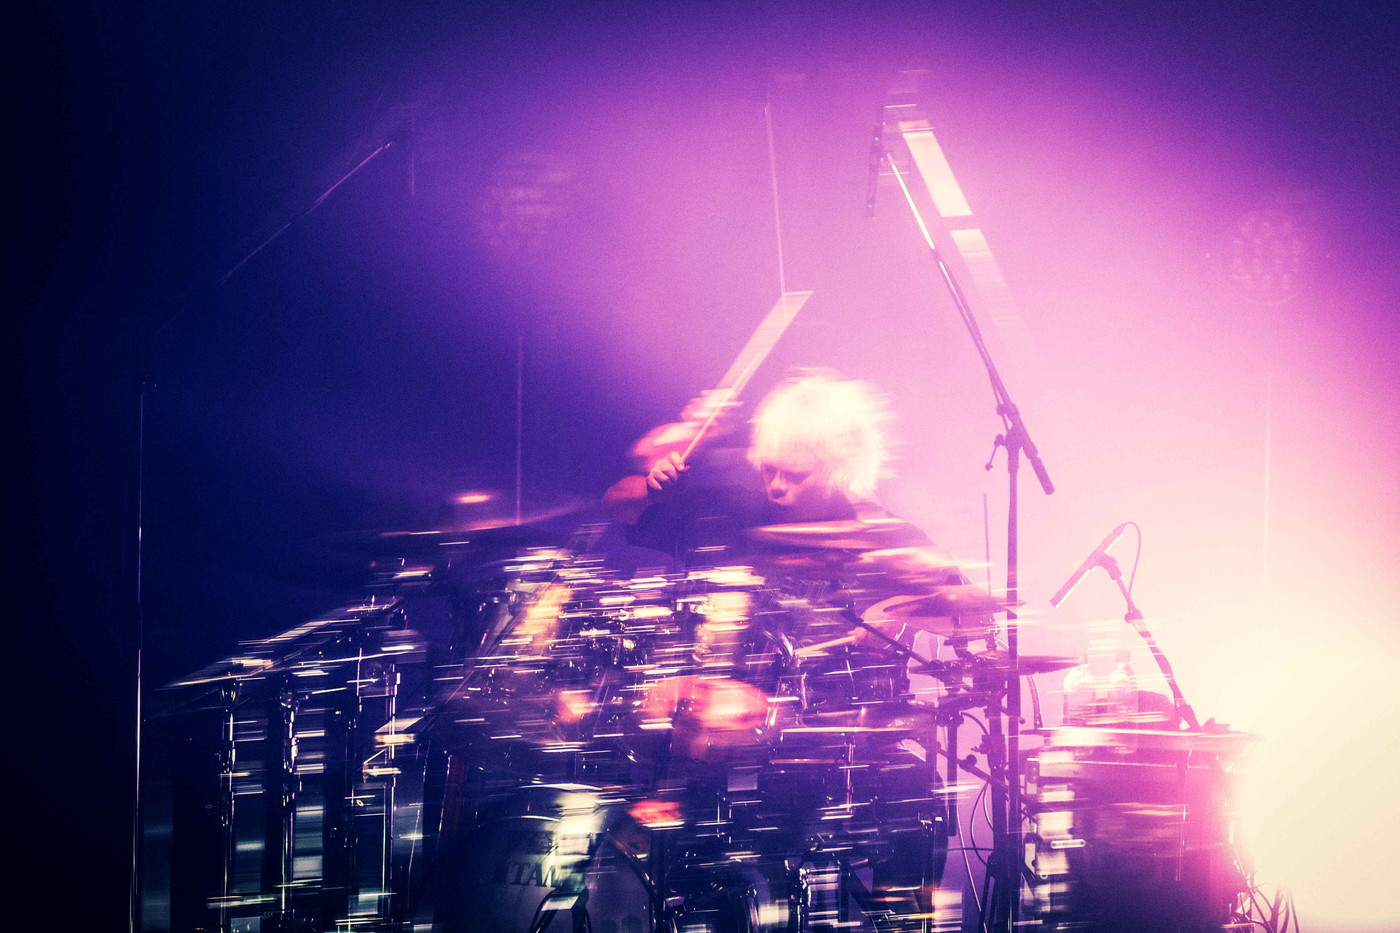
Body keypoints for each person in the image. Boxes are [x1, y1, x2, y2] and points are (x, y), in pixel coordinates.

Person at [603, 372, 978, 931]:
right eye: (768, 469)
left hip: (843, 747)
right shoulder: (733, 515)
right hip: (729, 745)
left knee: (915, 799)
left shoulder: (887, 540)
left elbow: (967, 611)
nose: (776, 486)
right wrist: (658, 477)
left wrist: (909, 603)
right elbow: (618, 504)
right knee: (660, 814)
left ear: (839, 466)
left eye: (794, 475)